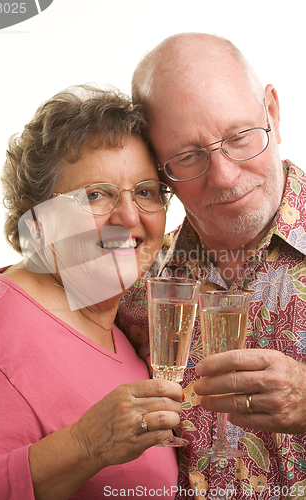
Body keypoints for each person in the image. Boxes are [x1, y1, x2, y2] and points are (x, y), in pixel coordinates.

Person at [118, 33, 306, 498]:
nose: (225, 176)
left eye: (240, 136)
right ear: (159, 169)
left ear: (273, 113)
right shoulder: (135, 279)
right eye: (188, 157)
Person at [0, 84, 183, 500]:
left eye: (145, 192)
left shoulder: (125, 326)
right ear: (36, 225)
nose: (128, 216)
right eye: (96, 195)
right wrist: (85, 445)